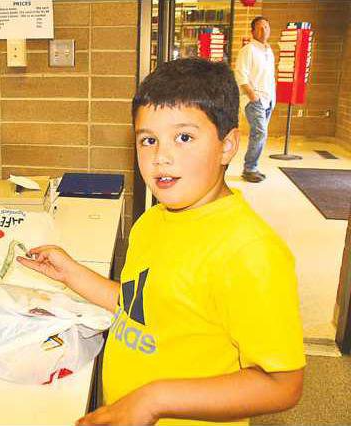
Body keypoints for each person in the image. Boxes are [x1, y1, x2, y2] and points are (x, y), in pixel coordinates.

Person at [18, 58, 305, 425]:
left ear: (227, 145)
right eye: (148, 140)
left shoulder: (250, 252)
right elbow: (141, 307)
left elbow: (283, 385)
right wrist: (72, 273)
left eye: (183, 137)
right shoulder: (152, 221)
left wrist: (153, 400)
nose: (161, 157)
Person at [235, 16, 275, 183]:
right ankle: (250, 168)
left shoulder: (269, 51)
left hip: (268, 98)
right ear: (252, 31)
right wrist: (252, 95)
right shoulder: (248, 50)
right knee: (260, 132)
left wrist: (272, 96)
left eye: (266, 27)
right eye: (259, 28)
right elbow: (240, 75)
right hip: (254, 99)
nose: (263, 30)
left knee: (259, 134)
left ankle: (253, 167)